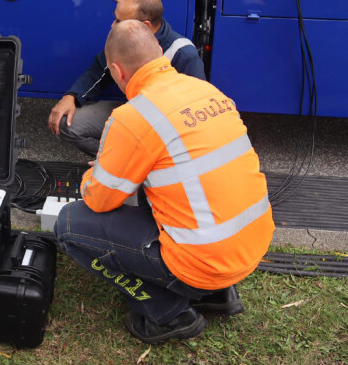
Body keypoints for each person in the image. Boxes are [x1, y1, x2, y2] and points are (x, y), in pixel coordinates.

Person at [54, 20, 274, 344]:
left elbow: (99, 200)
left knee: (70, 225)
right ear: (159, 53)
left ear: (117, 70)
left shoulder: (133, 116)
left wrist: (101, 169)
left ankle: (170, 314)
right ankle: (218, 293)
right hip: (250, 246)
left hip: (202, 262)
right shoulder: (206, 91)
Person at [48, 0, 206, 156]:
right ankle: (116, 163)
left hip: (165, 127)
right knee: (67, 124)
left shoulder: (182, 53)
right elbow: (98, 72)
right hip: (133, 112)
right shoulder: (124, 38)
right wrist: (71, 96)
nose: (112, 25)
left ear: (145, 26)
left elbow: (194, 114)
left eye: (119, 21)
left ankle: (141, 166)